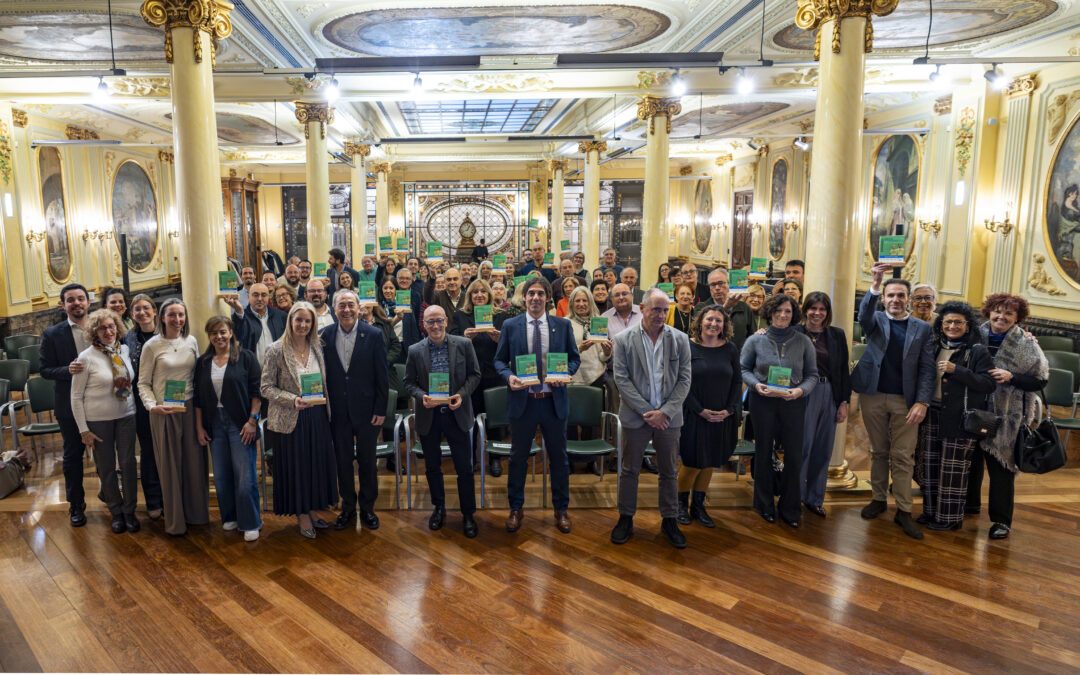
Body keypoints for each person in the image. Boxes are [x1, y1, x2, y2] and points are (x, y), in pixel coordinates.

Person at [852, 262, 935, 539]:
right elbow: (864, 314)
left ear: (908, 299)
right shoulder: (876, 321)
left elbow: (927, 368)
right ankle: (878, 498)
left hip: (906, 400)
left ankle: (903, 509)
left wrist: (922, 401)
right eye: (891, 295)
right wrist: (875, 283)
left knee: (902, 455)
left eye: (901, 295)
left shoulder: (922, 328)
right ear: (884, 299)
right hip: (872, 395)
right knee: (878, 451)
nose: (896, 300)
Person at [494, 276, 580, 533]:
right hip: (524, 403)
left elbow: (574, 359)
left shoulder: (562, 326)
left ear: (546, 298)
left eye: (540, 293)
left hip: (553, 402)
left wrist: (567, 374)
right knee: (518, 458)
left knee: (559, 459)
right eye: (531, 293)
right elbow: (499, 361)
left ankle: (561, 509)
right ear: (524, 298)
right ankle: (516, 508)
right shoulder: (511, 325)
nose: (535, 298)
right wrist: (509, 377)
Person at [610, 288, 692, 548]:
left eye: (665, 310)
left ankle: (669, 519)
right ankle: (625, 517)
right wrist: (648, 412)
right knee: (629, 469)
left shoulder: (680, 339)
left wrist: (665, 412)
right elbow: (621, 380)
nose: (661, 314)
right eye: (656, 309)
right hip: (636, 418)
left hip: (669, 419)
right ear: (642, 309)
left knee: (669, 470)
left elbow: (684, 379)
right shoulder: (623, 340)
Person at [967, 293, 1048, 540]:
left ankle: (1001, 521)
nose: (1001, 317)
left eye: (1009, 313)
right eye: (997, 311)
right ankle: (969, 506)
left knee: (1001, 466)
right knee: (970, 462)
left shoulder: (1027, 343)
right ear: (989, 311)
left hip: (1007, 416)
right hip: (971, 408)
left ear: (1017, 318)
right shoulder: (972, 334)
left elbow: (1041, 379)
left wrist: (1012, 377)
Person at [261, 301, 339, 538]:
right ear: (290, 321)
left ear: (313, 324)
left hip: (316, 415)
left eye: (308, 321)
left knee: (315, 466)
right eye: (299, 320)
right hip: (291, 418)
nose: (303, 325)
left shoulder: (317, 346)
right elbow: (266, 387)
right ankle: (302, 515)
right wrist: (292, 400)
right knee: (297, 468)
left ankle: (313, 510)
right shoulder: (275, 349)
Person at [916, 302, 996, 532]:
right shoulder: (933, 345)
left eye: (958, 322)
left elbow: (988, 384)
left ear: (967, 326)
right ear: (941, 325)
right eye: (948, 322)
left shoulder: (977, 351)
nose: (952, 326)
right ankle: (930, 512)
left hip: (960, 418)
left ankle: (948, 518)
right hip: (931, 414)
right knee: (930, 466)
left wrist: (957, 371)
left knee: (953, 469)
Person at [741, 293, 818, 528]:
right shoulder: (755, 340)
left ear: (794, 314)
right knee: (763, 452)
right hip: (762, 402)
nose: (783, 315)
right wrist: (756, 385)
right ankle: (764, 504)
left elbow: (812, 374)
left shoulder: (803, 341)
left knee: (794, 455)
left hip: (792, 403)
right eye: (778, 311)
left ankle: (790, 507)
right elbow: (743, 368)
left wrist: (801, 391)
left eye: (787, 311)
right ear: (769, 313)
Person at [405, 305, 481, 536]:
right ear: (424, 325)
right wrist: (421, 396)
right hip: (429, 415)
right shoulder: (415, 350)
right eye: (430, 322)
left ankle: (468, 513)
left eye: (439, 320)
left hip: (456, 412)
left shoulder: (464, 344)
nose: (435, 325)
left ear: (446, 321)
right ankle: (439, 508)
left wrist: (462, 395)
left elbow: (474, 375)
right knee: (432, 467)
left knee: (464, 468)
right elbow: (409, 383)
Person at [137, 298, 208, 536]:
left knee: (193, 464)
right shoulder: (152, 346)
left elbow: (196, 376)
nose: (177, 320)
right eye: (172, 315)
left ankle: (196, 515)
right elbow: (143, 383)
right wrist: (151, 406)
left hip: (188, 408)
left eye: (181, 315)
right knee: (170, 467)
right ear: (162, 318)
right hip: (164, 411)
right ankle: (176, 521)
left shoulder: (191, 341)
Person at [320, 291, 389, 532]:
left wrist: (381, 408)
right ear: (334, 309)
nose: (346, 310)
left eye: (351, 305)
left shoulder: (374, 334)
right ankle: (347, 507)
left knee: (368, 462)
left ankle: (368, 508)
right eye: (342, 305)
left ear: (359, 307)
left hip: (368, 411)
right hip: (337, 411)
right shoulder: (324, 335)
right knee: (343, 462)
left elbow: (383, 375)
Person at [194, 316, 263, 541]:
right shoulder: (203, 362)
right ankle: (230, 516)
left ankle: (251, 521)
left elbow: (257, 392)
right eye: (214, 333)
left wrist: (252, 421)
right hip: (214, 423)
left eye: (223, 332)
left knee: (245, 476)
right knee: (222, 476)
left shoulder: (245, 357)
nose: (219, 336)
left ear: (231, 332)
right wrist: (199, 427)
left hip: (240, 423)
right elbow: (197, 398)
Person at [71, 308, 139, 534]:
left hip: (127, 415)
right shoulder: (85, 358)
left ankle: (130, 511)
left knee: (128, 464)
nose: (108, 331)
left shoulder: (125, 350)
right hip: (98, 420)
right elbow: (76, 396)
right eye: (102, 328)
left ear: (118, 328)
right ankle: (116, 512)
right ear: (94, 331)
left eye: (111, 326)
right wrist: (83, 430)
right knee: (107, 468)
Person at [678, 304, 741, 528]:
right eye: (709, 319)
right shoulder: (686, 346)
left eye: (718, 320)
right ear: (700, 321)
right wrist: (700, 410)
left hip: (721, 415)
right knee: (692, 462)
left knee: (709, 462)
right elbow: (681, 383)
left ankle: (698, 506)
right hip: (693, 414)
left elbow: (736, 381)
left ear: (724, 325)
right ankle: (680, 505)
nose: (714, 324)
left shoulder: (731, 349)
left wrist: (729, 410)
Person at [795, 292, 852, 518]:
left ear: (827, 312)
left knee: (823, 448)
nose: (817, 313)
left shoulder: (836, 335)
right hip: (802, 394)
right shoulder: (795, 333)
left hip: (829, 392)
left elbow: (843, 371)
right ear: (805, 310)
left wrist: (844, 402)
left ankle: (815, 498)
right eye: (813, 308)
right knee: (802, 447)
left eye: (822, 309)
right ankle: (795, 497)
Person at [41, 283, 92, 527]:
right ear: (63, 305)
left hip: (101, 402)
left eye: (80, 298)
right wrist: (67, 370)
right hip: (69, 404)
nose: (76, 303)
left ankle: (114, 499)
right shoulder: (52, 334)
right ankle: (76, 505)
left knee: (108, 454)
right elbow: (44, 370)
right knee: (73, 456)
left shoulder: (101, 326)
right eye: (70, 300)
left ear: (88, 302)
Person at [450, 279, 503, 476]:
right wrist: (464, 337)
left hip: (493, 374)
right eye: (475, 292)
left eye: (483, 291)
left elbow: (508, 348)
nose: (479, 295)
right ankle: (470, 458)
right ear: (469, 296)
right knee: (468, 419)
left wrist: (499, 340)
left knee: (494, 420)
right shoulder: (460, 316)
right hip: (468, 376)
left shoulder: (499, 316)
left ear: (489, 294)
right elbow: (451, 343)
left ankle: (495, 458)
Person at [123, 293, 164, 520]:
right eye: (137, 309)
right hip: (141, 400)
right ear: (132, 314)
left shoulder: (166, 333)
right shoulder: (128, 339)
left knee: (168, 450)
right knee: (149, 451)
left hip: (168, 397)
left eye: (146, 308)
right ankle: (153, 499)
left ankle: (172, 497)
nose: (142, 312)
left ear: (154, 310)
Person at [565, 286, 612, 475]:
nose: (582, 304)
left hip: (595, 376)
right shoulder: (565, 324)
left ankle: (589, 460)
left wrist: (608, 352)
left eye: (585, 301)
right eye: (578, 301)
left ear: (590, 302)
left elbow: (601, 356)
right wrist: (579, 348)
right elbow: (562, 353)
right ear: (572, 303)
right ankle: (567, 459)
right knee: (569, 422)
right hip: (572, 377)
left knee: (590, 423)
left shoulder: (598, 323)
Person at [225, 283, 286, 364]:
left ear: (268, 297)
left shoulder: (281, 316)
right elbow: (238, 336)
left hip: (277, 371)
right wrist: (239, 312)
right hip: (252, 372)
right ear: (248, 297)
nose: (260, 299)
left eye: (264, 295)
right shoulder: (241, 317)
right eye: (255, 295)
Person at [695, 267, 754, 349]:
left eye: (720, 283)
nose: (717, 288)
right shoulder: (701, 307)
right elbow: (698, 334)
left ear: (729, 284)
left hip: (739, 357)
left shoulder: (744, 307)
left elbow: (751, 336)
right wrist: (725, 308)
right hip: (712, 354)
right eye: (713, 285)